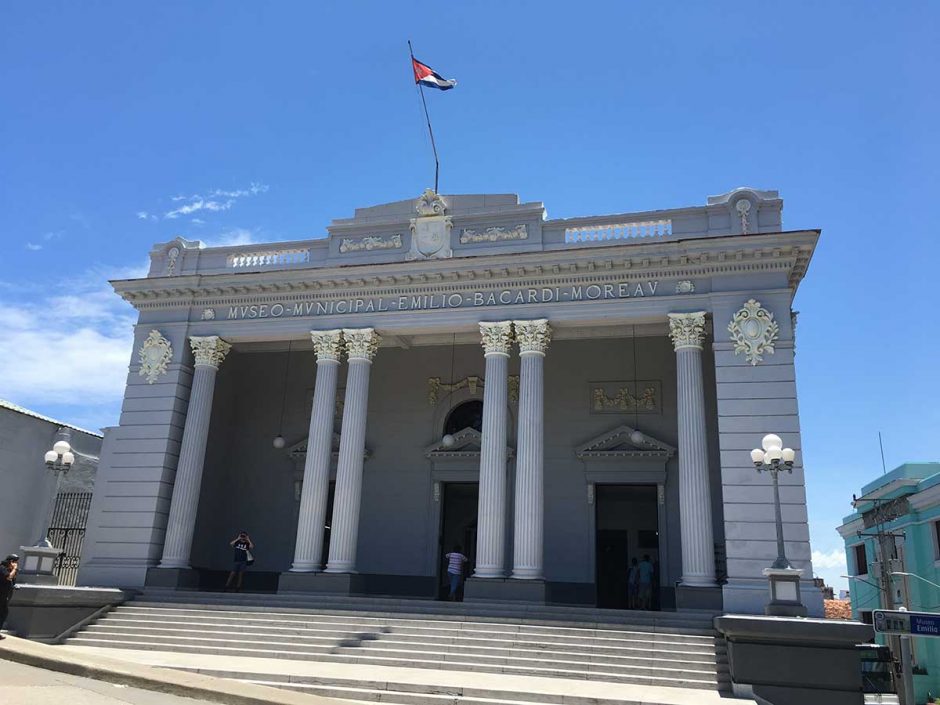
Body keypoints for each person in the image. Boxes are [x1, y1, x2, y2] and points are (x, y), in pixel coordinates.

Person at [0, 554, 19, 638]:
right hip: (1, 594)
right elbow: (8, 577)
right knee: (2, 613)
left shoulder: (9, 569)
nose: (16, 564)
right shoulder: (2, 568)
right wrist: (14, 569)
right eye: (15, 562)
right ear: (11, 561)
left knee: (3, 613)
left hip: (5, 595)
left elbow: (12, 580)